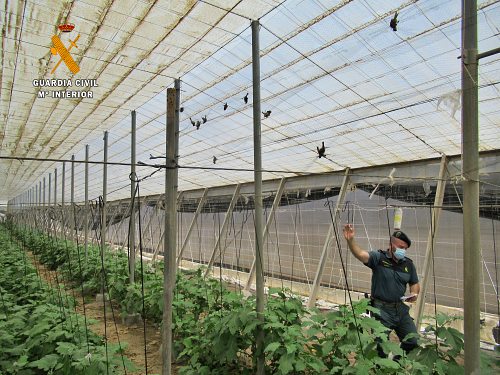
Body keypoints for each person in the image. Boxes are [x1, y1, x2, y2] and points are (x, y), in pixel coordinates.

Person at [343, 224, 420, 357]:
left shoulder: (408, 264)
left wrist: (414, 293)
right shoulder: (379, 258)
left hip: (400, 309)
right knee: (380, 346)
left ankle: (395, 362)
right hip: (381, 309)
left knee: (413, 341)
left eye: (405, 249)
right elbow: (361, 254)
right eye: (401, 247)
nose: (403, 251)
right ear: (391, 244)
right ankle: (382, 368)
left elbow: (414, 283)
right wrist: (350, 240)